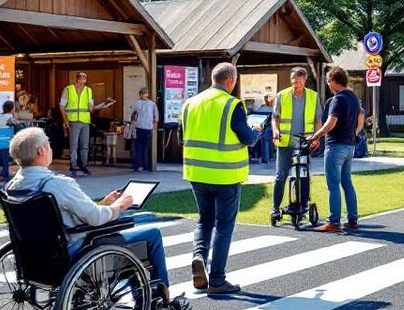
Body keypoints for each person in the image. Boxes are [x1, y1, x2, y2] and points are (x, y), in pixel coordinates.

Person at [5, 128, 190, 310]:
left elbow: (69, 216)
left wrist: (104, 204)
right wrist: (118, 205)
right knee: (151, 234)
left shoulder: (12, 187)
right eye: (49, 144)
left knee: (128, 230)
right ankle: (162, 298)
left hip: (33, 257)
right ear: (41, 151)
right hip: (75, 252)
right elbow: (95, 219)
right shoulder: (57, 185)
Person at [178, 63, 257, 295]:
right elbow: (246, 137)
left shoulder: (190, 103)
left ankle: (198, 257)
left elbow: (181, 139)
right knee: (224, 225)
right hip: (225, 174)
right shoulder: (232, 105)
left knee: (204, 221)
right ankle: (217, 280)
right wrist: (256, 133)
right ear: (231, 81)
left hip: (196, 173)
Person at [310, 65, 364, 233]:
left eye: (328, 81)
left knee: (333, 184)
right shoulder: (353, 98)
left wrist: (315, 136)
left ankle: (333, 222)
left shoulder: (338, 99)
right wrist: (353, 133)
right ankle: (352, 219)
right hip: (349, 146)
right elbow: (359, 119)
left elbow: (330, 123)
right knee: (347, 183)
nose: (328, 84)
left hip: (335, 146)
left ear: (334, 80)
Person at [271, 67, 322, 215]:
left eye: (299, 81)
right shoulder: (282, 96)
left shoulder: (313, 96)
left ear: (305, 80)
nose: (296, 84)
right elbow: (275, 117)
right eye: (293, 81)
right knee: (281, 176)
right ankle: (275, 207)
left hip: (304, 144)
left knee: (303, 175)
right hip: (285, 143)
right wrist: (275, 130)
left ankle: (304, 205)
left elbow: (318, 120)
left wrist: (316, 136)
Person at [59, 72, 114, 177]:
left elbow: (91, 107)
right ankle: (74, 166)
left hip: (85, 121)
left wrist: (103, 105)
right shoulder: (68, 90)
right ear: (77, 79)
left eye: (85, 78)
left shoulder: (88, 90)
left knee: (84, 145)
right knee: (73, 145)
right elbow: (62, 106)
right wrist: (65, 121)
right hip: (73, 121)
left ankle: (83, 166)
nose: (83, 80)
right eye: (81, 78)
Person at [128, 87, 159, 173]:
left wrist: (132, 124)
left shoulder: (137, 103)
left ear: (140, 95)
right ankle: (146, 166)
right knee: (146, 148)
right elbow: (156, 118)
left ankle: (136, 167)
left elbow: (133, 115)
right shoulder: (152, 104)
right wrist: (154, 128)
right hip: (148, 128)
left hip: (139, 127)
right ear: (147, 94)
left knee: (138, 147)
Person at [0, 100, 16, 186]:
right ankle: (5, 176)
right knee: (5, 161)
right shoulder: (10, 117)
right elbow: (15, 123)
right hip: (3, 142)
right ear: (12, 109)